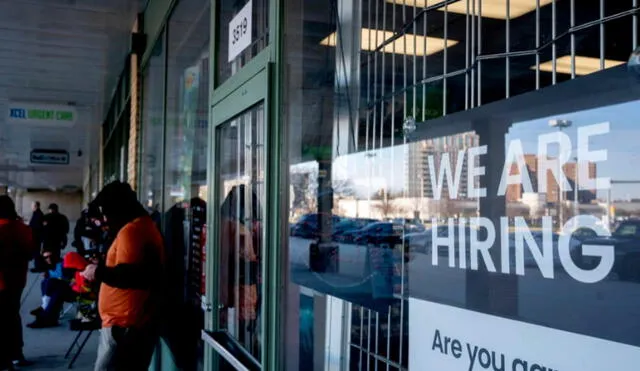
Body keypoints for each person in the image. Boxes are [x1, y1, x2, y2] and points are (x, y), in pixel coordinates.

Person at [81, 181, 165, 371]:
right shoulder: (141, 226)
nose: (104, 219)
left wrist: (97, 272)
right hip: (127, 323)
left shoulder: (132, 231)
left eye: (106, 212)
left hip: (124, 324)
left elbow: (132, 276)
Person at [0, 195, 36, 370]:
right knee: (13, 316)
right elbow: (30, 253)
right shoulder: (23, 229)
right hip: (17, 280)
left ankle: (4, 359)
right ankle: (16, 354)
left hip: (1, 282)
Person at [29, 201, 45, 271]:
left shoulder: (38, 214)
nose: (31, 207)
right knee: (36, 252)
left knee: (37, 252)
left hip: (36, 236)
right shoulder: (37, 213)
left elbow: (36, 226)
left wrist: (29, 226)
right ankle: (38, 266)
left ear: (35, 206)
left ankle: (38, 267)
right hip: (36, 236)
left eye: (32, 206)